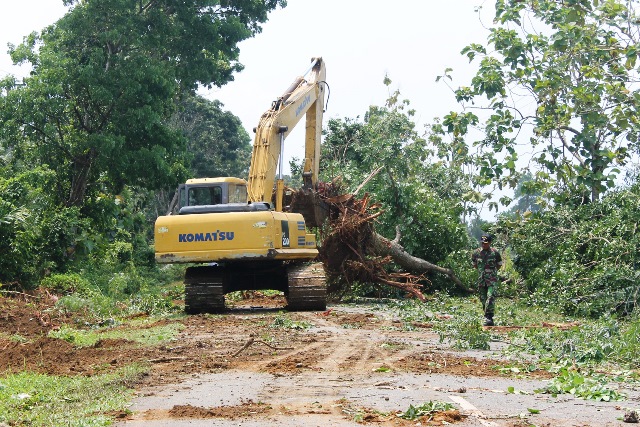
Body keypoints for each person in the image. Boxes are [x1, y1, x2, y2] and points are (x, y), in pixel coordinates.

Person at [471, 233, 503, 326]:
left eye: (486, 243)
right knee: (483, 299)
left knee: (491, 296)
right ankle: (486, 316)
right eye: (482, 243)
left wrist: (491, 272)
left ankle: (489, 317)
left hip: (492, 279)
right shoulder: (476, 253)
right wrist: (482, 272)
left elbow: (499, 264)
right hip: (481, 279)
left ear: (490, 243)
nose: (484, 245)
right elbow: (475, 265)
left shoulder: (495, 252)